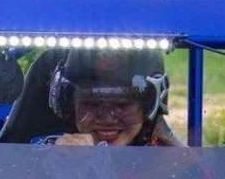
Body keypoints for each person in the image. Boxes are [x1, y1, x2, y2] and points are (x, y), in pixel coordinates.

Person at [37, 48, 181, 147]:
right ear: (70, 106)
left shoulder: (171, 161)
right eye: (92, 104)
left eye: (122, 105)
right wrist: (62, 169)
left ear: (148, 107)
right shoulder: (45, 155)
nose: (107, 118)